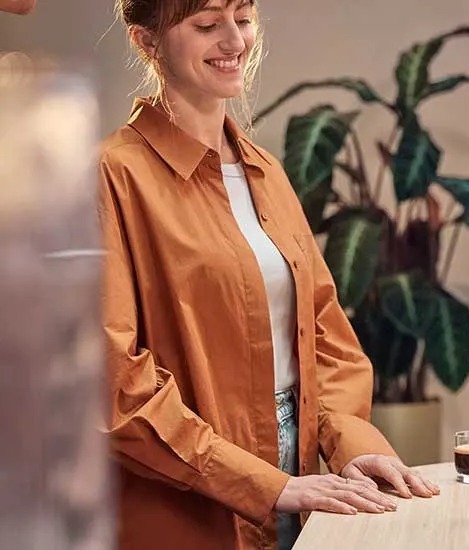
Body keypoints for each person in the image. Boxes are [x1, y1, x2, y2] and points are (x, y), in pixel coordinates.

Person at [99, 1, 440, 549]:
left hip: (305, 478)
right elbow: (113, 384)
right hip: (190, 498)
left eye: (243, 16)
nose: (234, 41)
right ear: (146, 42)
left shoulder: (265, 171)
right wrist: (266, 484)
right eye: (207, 25)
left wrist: (354, 444)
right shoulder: (113, 176)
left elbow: (324, 334)